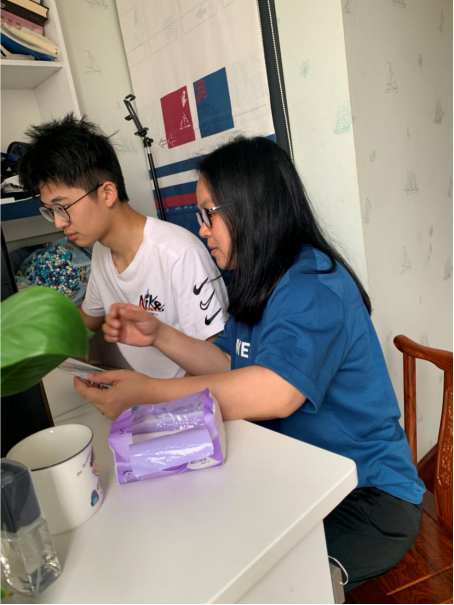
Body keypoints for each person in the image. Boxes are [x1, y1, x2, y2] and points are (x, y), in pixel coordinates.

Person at [74, 135, 425, 591]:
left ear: (251, 207)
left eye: (209, 214)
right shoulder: (256, 278)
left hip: (367, 496)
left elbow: (275, 392)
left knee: (274, 583)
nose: (203, 230)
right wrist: (160, 334)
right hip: (298, 476)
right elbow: (228, 362)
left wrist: (147, 394)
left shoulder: (312, 284)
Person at [18, 114, 227, 378]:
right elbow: (89, 320)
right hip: (151, 393)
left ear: (107, 193)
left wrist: (149, 395)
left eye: (63, 207)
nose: (59, 222)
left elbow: (218, 367)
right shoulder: (101, 252)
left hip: (191, 396)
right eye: (51, 211)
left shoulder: (179, 254)